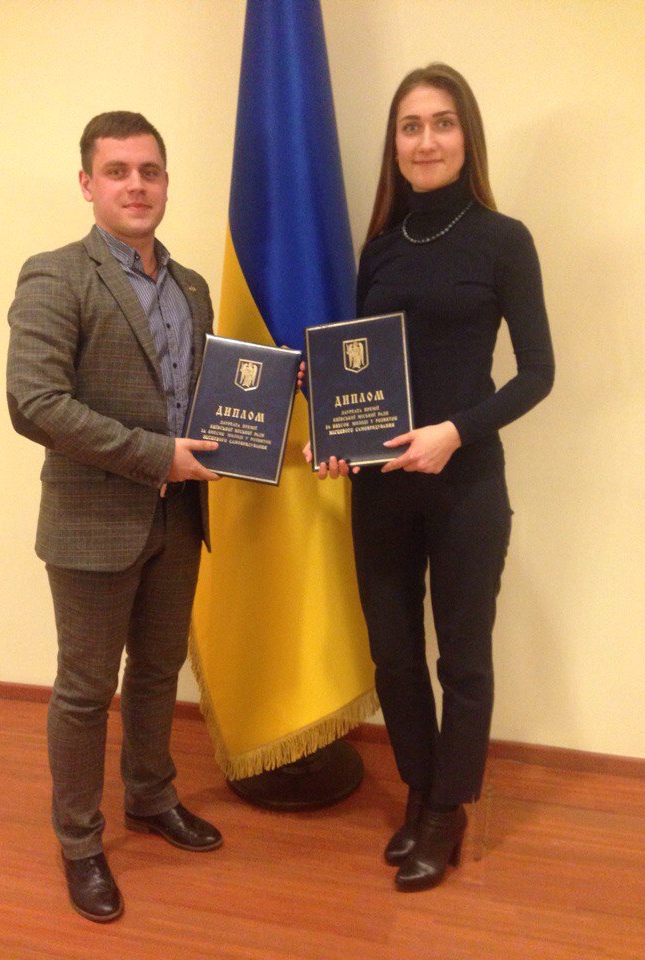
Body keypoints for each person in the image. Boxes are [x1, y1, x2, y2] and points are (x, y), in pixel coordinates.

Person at [305, 64, 554, 891]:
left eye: (441, 123)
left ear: (466, 136)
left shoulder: (504, 239)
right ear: (395, 144)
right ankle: (419, 790)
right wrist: (335, 435)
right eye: (410, 126)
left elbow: (538, 373)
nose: (426, 140)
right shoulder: (379, 248)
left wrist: (454, 432)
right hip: (380, 488)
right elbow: (360, 371)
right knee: (394, 655)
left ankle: (449, 808)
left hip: (466, 483)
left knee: (463, 659)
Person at [7, 111, 224, 923]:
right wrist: (155, 456)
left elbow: (205, 399)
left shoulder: (192, 287)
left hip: (181, 520)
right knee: (86, 690)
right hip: (93, 524)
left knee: (159, 672)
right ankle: (78, 841)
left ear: (166, 182)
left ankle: (150, 795)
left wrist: (274, 394)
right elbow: (35, 402)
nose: (137, 185)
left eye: (150, 171)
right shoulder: (56, 275)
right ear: (87, 183)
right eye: (119, 171)